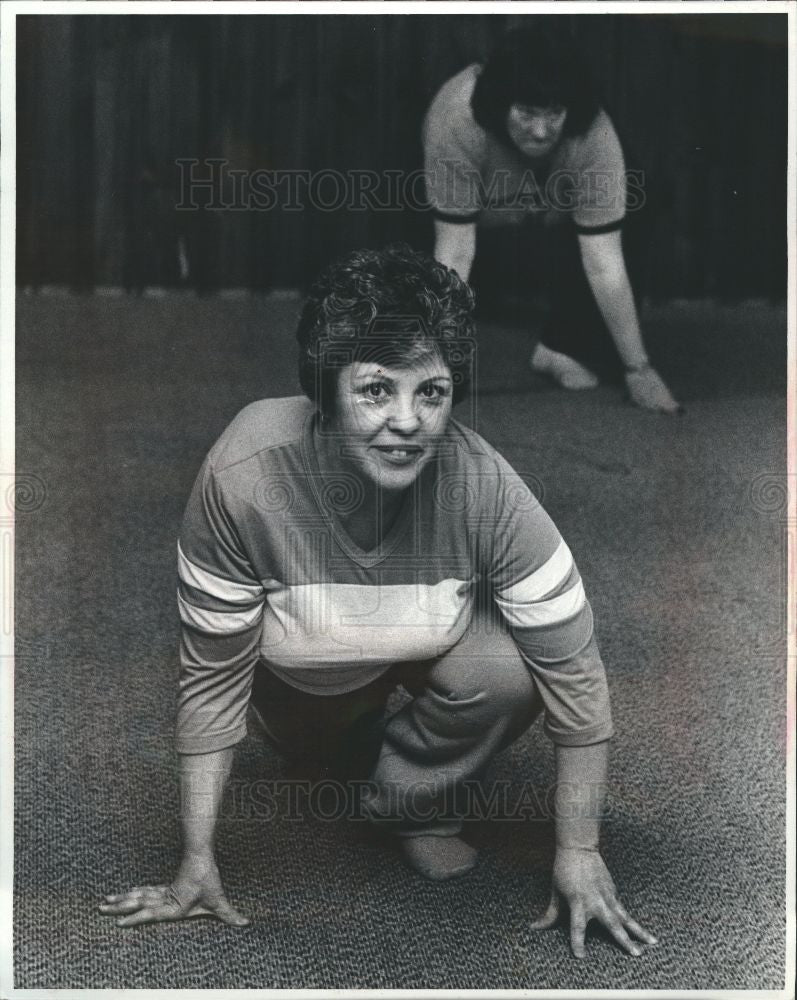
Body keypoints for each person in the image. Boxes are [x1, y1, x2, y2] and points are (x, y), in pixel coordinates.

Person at [99, 244, 657, 960]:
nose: (408, 421)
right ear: (325, 390)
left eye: (430, 392)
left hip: (427, 645)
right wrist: (194, 863)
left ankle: (412, 802)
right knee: (320, 755)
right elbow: (211, 677)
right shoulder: (243, 478)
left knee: (516, 665)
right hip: (303, 675)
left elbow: (575, 672)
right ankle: (340, 745)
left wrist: (578, 850)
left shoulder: (485, 486)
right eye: (374, 390)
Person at [423, 21, 681, 414]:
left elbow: (604, 262)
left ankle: (560, 346)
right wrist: (432, 367)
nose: (541, 131)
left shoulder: (593, 133)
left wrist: (638, 368)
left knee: (640, 195)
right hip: (468, 213)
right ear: (501, 104)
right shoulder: (456, 119)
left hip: (546, 201)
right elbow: (455, 253)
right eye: (526, 112)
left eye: (554, 113)